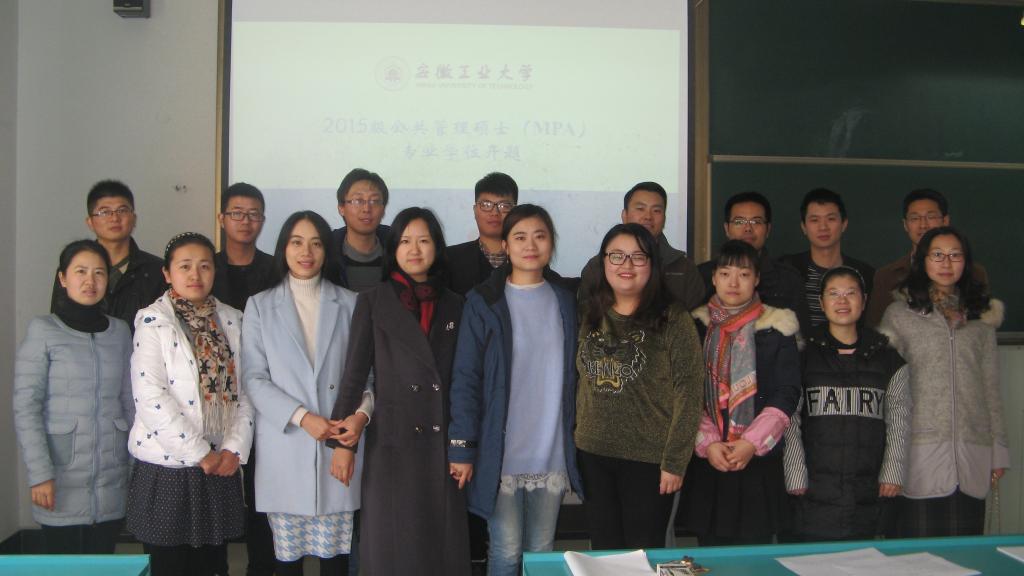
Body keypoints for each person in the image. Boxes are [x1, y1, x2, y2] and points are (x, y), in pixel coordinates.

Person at [329, 207, 471, 576]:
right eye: (405, 241)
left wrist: (463, 446)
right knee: (393, 549)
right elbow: (354, 374)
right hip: (392, 443)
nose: (414, 249)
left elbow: (465, 381)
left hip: (442, 444)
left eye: (424, 240)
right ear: (393, 249)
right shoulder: (373, 301)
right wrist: (342, 444)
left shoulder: (456, 304)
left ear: (437, 247)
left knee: (440, 550)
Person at [448, 205, 583, 576]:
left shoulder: (566, 300)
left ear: (552, 243)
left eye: (540, 236)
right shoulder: (483, 301)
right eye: (520, 237)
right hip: (501, 450)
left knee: (541, 550)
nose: (530, 245)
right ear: (505, 246)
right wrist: (462, 447)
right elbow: (466, 378)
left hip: (550, 448)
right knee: (506, 552)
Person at [243, 211, 374, 576]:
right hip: (286, 448)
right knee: (287, 565)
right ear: (283, 248)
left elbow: (368, 377)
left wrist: (360, 417)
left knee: (336, 564)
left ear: (327, 251)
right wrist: (303, 418)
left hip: (339, 451)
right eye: (297, 242)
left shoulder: (352, 303)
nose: (306, 252)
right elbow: (254, 379)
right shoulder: (260, 305)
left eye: (316, 243)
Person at [126, 232, 254, 576]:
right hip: (168, 467)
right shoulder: (152, 322)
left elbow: (246, 392)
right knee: (169, 566)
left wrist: (234, 449)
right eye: (185, 266)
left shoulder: (233, 320)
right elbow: (150, 396)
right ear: (167, 273)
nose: (195, 275)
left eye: (204, 266)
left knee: (213, 566)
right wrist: (200, 453)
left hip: (221, 465)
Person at [575, 223, 704, 550]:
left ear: (653, 264)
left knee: (641, 554)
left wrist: (675, 461)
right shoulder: (591, 313)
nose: (627, 265)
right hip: (593, 455)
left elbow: (689, 391)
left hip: (649, 461)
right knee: (604, 553)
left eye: (638, 256)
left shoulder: (674, 318)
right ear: (603, 262)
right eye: (617, 256)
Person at [878, 226, 1007, 537]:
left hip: (972, 452)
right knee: (919, 553)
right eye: (937, 255)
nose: (946, 263)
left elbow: (991, 388)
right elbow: (890, 392)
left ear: (966, 262)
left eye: (955, 255)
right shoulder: (899, 315)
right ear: (922, 260)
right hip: (917, 453)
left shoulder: (981, 318)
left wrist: (998, 449)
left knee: (965, 553)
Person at [14, 240, 133, 554]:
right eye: (80, 271)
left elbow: (129, 402)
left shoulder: (120, 331)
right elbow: (26, 407)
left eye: (99, 273)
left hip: (112, 476)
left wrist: (134, 467)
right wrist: (40, 475)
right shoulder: (43, 330)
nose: (90, 281)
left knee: (102, 563)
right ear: (63, 278)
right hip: (59, 478)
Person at [681, 239, 801, 546]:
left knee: (754, 555)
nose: (733, 283)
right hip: (710, 460)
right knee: (711, 555)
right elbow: (686, 392)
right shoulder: (695, 326)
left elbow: (786, 392)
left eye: (744, 274)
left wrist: (750, 443)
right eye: (725, 273)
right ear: (714, 278)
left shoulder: (778, 326)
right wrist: (709, 444)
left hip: (758, 461)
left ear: (757, 278)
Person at [782, 266, 911, 541]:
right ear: (821, 303)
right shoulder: (802, 356)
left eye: (850, 293)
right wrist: (794, 473)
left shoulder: (889, 359)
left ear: (864, 301)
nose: (842, 301)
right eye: (833, 294)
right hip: (813, 492)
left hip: (868, 490)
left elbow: (899, 422)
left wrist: (893, 472)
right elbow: (790, 420)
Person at [209, 181, 275, 576]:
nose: (245, 221)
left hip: (265, 394)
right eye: (237, 213)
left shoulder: (276, 269)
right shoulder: (206, 268)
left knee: (261, 498)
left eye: (253, 214)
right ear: (222, 218)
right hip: (216, 401)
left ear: (263, 220)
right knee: (217, 491)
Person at [49, 180, 165, 331]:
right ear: (90, 222)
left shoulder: (158, 270)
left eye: (122, 210)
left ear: (134, 218)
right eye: (104, 212)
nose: (114, 218)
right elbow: (58, 324)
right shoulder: (72, 268)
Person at [865, 188, 988, 327]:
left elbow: (981, 327)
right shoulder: (885, 276)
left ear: (945, 220)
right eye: (915, 218)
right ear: (905, 225)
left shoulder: (974, 273)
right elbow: (876, 328)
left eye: (931, 217)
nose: (923, 225)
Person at [580, 182, 705, 310]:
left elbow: (696, 317)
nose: (648, 217)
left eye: (656, 211)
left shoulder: (685, 268)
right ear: (624, 216)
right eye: (640, 209)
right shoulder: (597, 266)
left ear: (664, 219)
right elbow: (587, 315)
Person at [779, 188, 874, 334]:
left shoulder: (865, 274)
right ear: (804, 227)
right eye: (814, 220)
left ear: (844, 224)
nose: (823, 227)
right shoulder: (786, 270)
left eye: (831, 219)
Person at [697, 191, 802, 311]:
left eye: (756, 222)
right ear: (727, 229)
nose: (747, 228)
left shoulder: (788, 280)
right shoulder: (702, 276)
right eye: (739, 222)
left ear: (768, 229)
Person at [447, 172, 519, 296]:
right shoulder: (449, 258)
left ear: (515, 211)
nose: (494, 212)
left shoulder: (529, 257)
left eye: (504, 206)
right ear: (475, 210)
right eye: (486, 205)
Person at [332, 168, 391, 291]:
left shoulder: (398, 250)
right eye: (358, 201)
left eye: (374, 201)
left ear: (383, 209)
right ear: (341, 208)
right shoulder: (327, 253)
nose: (366, 209)